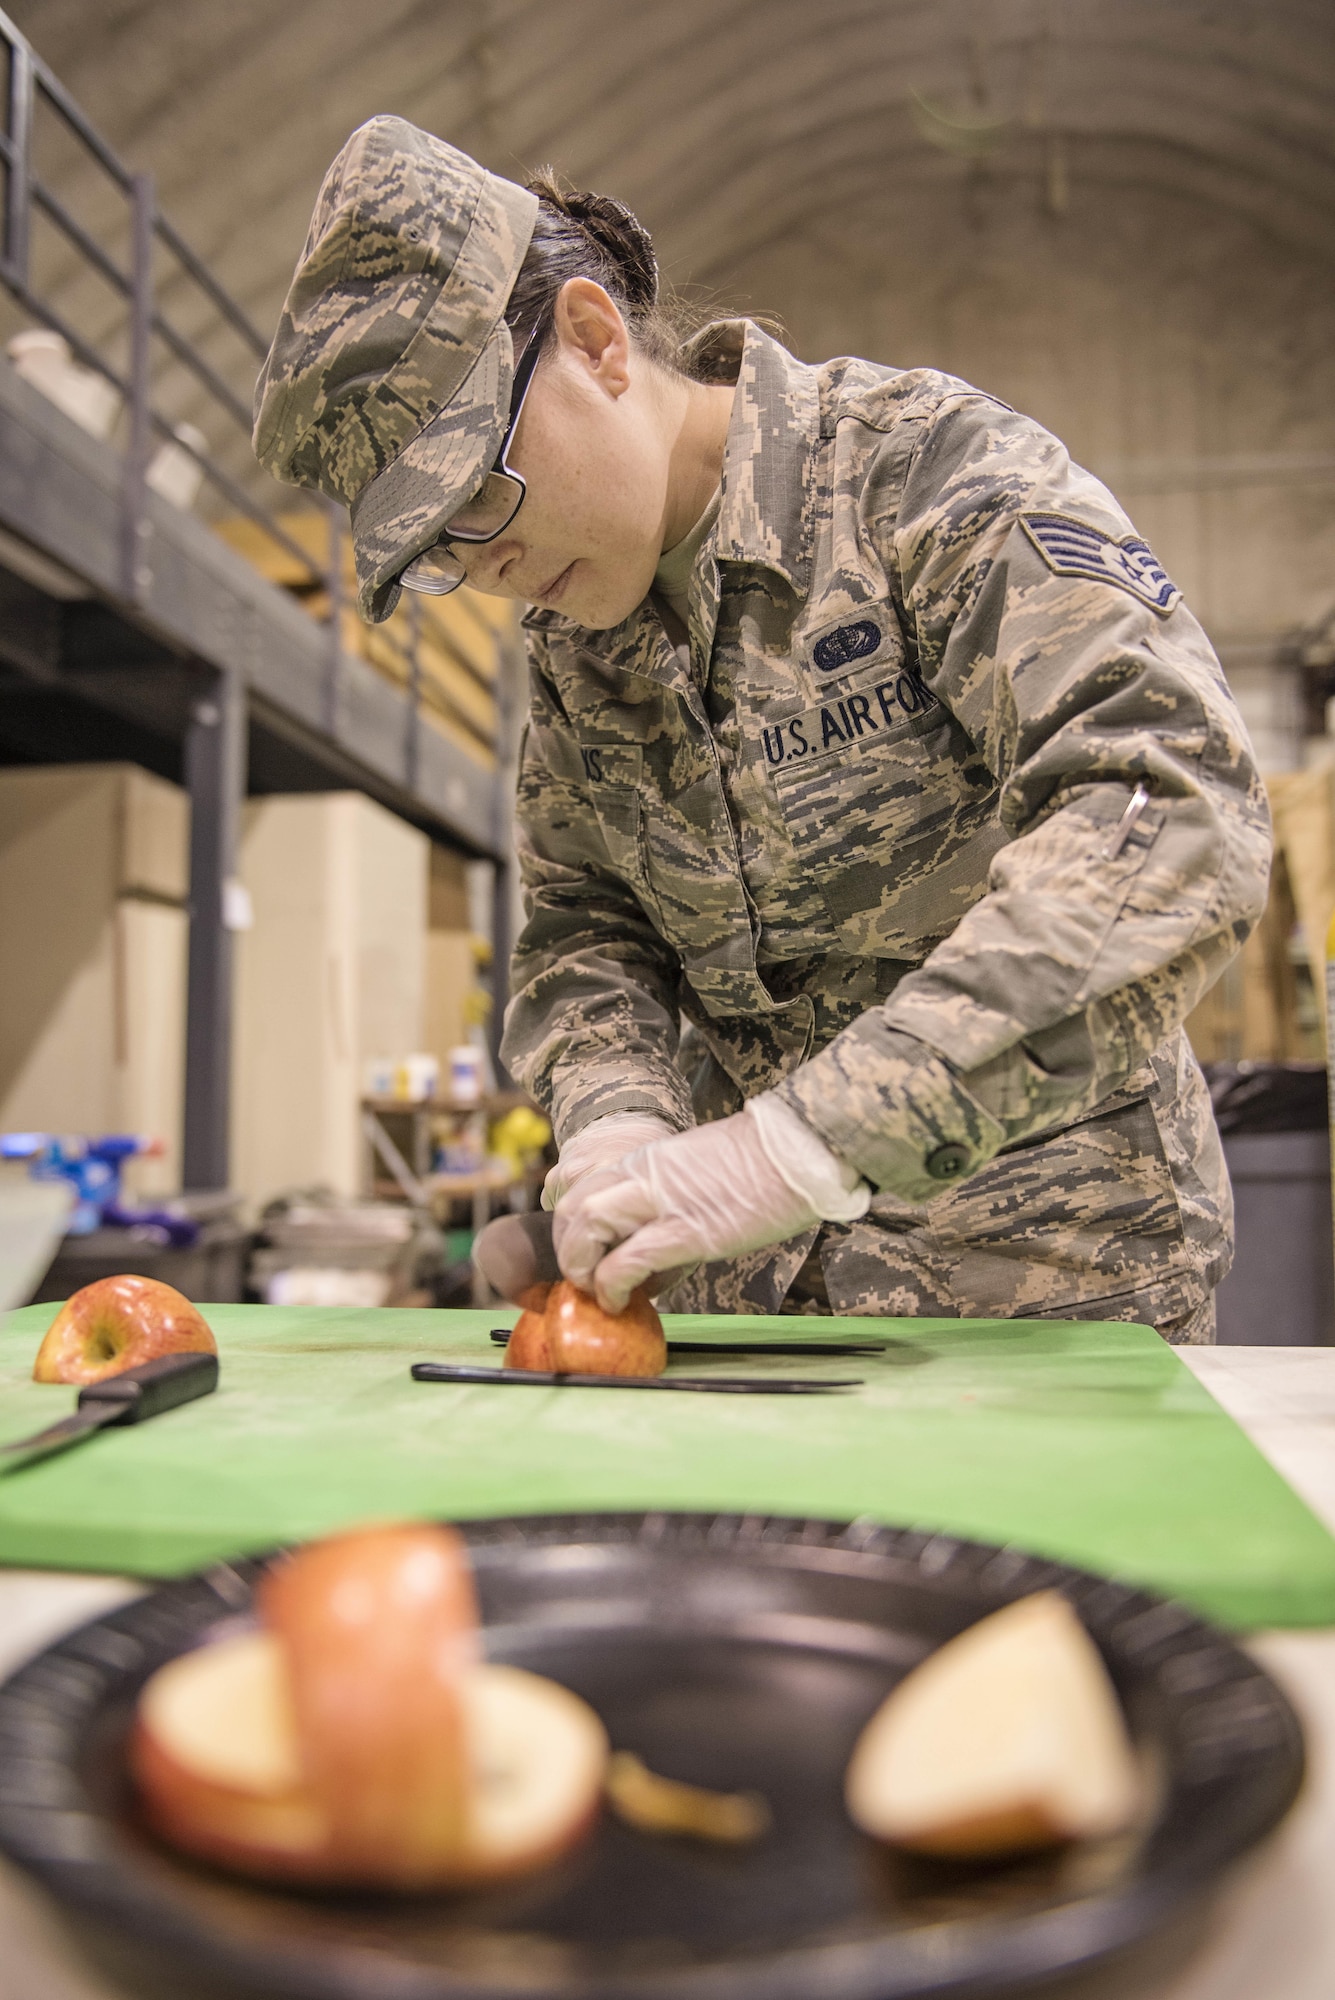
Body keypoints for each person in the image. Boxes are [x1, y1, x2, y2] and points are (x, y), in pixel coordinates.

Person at [255, 116, 1271, 1343]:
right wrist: (622, 1121)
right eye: (438, 551)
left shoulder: (924, 479)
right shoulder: (581, 642)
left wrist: (805, 1142)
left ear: (595, 340)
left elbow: (1167, 815)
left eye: (483, 491)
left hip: (1049, 1290)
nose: (485, 564)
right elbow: (588, 927)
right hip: (760, 1314)